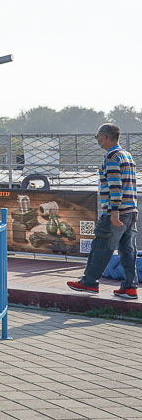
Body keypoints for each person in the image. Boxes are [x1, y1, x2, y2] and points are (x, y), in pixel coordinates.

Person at [69, 123, 139, 298]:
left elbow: (116, 187)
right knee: (128, 250)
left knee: (101, 247)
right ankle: (129, 287)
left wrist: (113, 213)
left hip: (116, 212)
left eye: (97, 136)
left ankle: (89, 282)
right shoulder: (127, 156)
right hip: (131, 211)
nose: (97, 139)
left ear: (104, 137)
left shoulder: (112, 157)